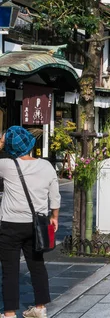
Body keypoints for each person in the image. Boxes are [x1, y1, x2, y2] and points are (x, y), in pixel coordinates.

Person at [0, 126, 61, 318]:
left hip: (10, 224)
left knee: (9, 270)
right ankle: (40, 308)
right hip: (38, 224)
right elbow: (55, 196)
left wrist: (1, 143)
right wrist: (55, 217)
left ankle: (9, 313)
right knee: (37, 265)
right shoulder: (46, 166)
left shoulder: (6, 166)